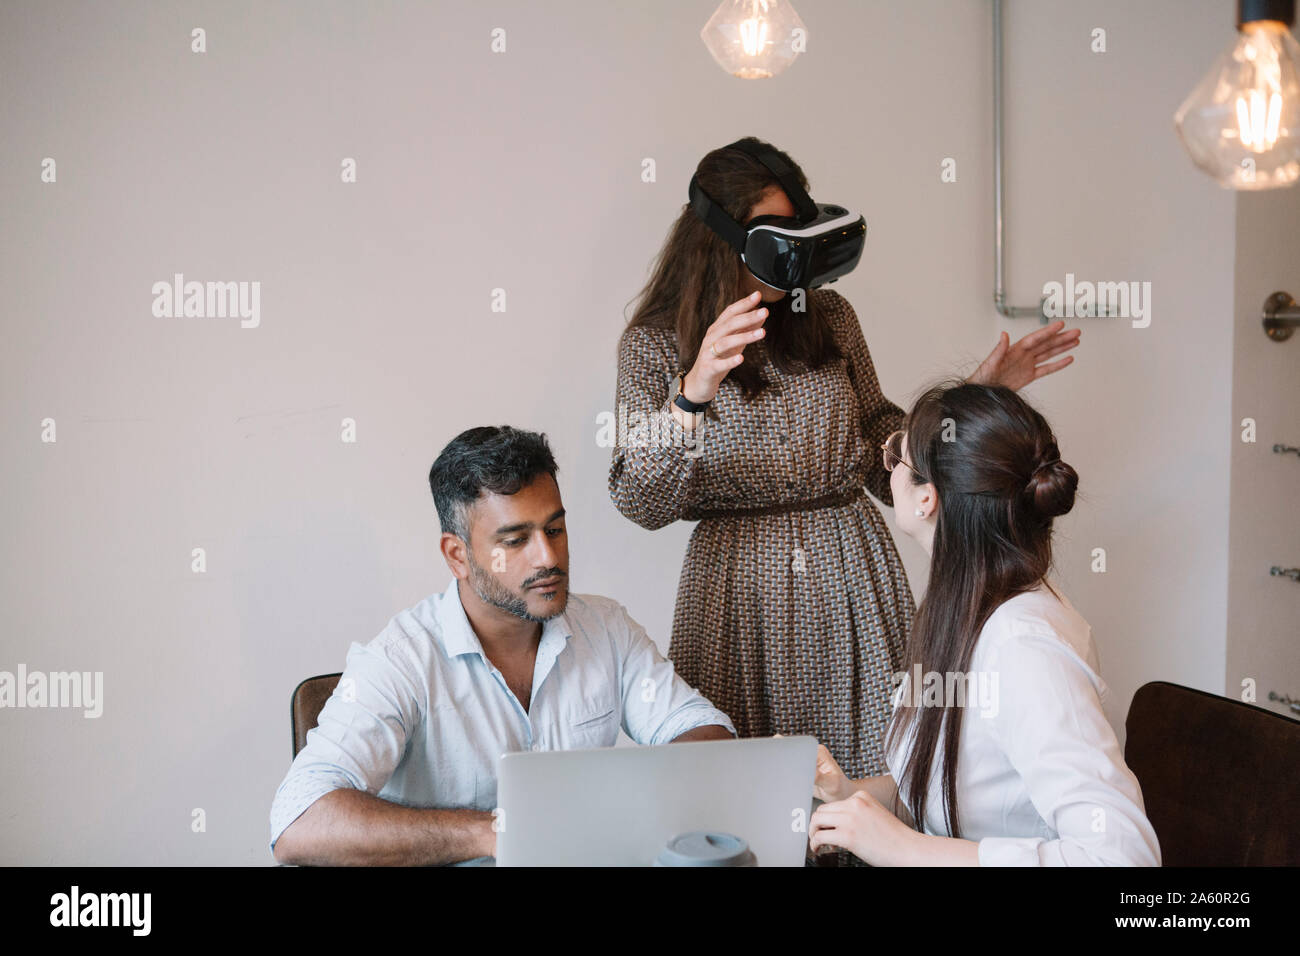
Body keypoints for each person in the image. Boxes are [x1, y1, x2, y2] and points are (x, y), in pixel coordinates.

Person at [608, 136, 1082, 795]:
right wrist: (691, 393)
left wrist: (969, 404)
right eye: (771, 233)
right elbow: (639, 502)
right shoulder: (655, 344)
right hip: (734, 596)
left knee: (868, 782)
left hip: (850, 576)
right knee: (741, 799)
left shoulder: (825, 315)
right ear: (716, 238)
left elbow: (881, 447)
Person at [270, 425, 735, 866]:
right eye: (515, 541)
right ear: (458, 556)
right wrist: (489, 832)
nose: (548, 558)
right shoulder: (400, 660)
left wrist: (635, 798)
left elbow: (701, 731)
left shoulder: (606, 627)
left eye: (554, 530)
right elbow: (299, 821)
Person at [807, 381, 1160, 866]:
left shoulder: (1023, 647)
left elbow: (1123, 858)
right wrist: (848, 794)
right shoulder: (962, 609)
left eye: (895, 454)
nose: (887, 466)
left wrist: (902, 848)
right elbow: (960, 798)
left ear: (927, 498)